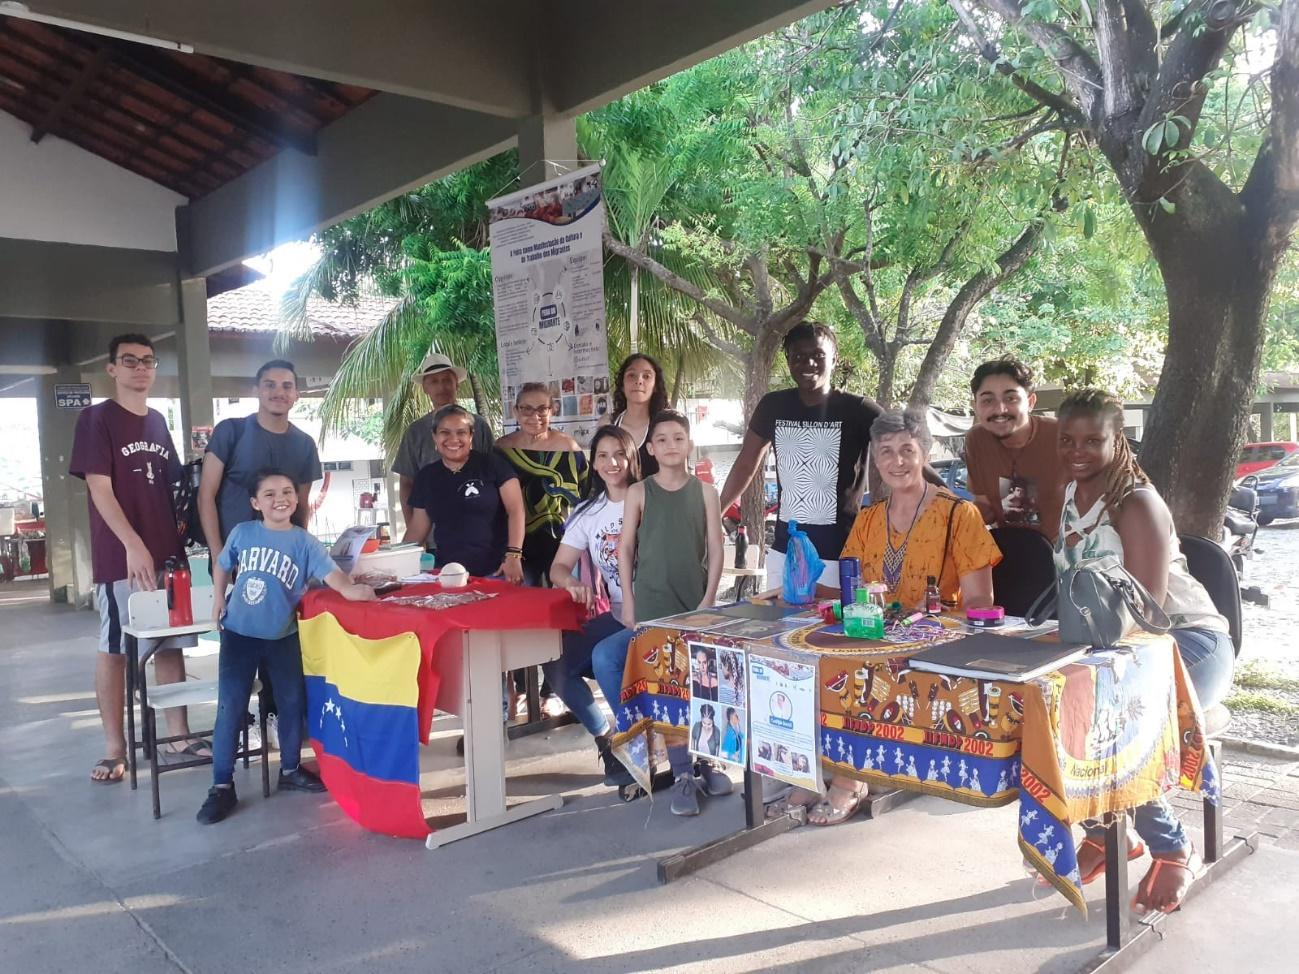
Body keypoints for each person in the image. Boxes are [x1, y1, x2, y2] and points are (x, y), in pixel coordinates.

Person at [1054, 388, 1234, 916]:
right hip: (1113, 645)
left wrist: (1087, 670)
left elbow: (1147, 614)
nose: (1078, 451)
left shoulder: (1136, 503)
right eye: (1067, 440)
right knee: (1052, 709)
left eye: (1093, 440)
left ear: (1119, 441)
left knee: (1106, 721)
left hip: (1184, 642)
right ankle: (1107, 832)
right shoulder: (1070, 494)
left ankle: (1173, 846)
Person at [781, 409, 1000, 827]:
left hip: (933, 642)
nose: (897, 461)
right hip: (874, 633)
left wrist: (922, 620)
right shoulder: (868, 518)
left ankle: (849, 778)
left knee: (861, 668)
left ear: (924, 454)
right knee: (807, 659)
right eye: (886, 452)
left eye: (907, 450)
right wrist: (802, 589)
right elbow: (852, 592)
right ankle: (812, 767)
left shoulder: (959, 514)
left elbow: (978, 601)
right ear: (876, 460)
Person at [198, 470, 376, 824]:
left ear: (297, 499)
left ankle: (291, 770)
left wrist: (350, 590)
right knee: (230, 707)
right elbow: (222, 565)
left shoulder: (304, 542)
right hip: (239, 635)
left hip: (282, 635)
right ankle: (221, 785)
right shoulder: (243, 532)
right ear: (255, 502)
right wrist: (218, 597)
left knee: (292, 703)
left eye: (286, 492)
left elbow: (332, 574)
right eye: (269, 494)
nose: (279, 499)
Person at [69, 333, 206, 784]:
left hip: (168, 556)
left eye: (147, 360)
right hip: (122, 558)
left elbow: (173, 487)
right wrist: (132, 543)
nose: (140, 368)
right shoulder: (96, 419)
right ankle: (115, 747)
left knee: (170, 643)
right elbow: (100, 488)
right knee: (115, 649)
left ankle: (178, 736)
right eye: (129, 361)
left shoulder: (159, 422)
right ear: (112, 368)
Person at [590, 409, 727, 816]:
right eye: (662, 439)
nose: (670, 446)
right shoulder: (639, 492)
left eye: (678, 438)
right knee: (666, 689)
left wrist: (708, 600)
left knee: (699, 685)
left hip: (694, 607)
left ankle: (708, 761)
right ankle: (683, 772)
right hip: (651, 607)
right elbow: (625, 549)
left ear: (690, 444)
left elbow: (716, 549)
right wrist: (630, 602)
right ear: (649, 449)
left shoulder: (706, 493)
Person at [198, 359, 323, 750]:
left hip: (282, 569)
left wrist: (304, 562)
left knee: (280, 647)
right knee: (239, 652)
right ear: (257, 390)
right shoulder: (231, 432)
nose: (278, 392)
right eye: (269, 384)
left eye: (287, 385)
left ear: (297, 394)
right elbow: (206, 496)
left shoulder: (304, 444)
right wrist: (219, 556)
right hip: (236, 565)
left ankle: (276, 725)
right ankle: (237, 729)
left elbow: (302, 509)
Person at [719, 322, 885, 591]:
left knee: (833, 620)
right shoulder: (773, 406)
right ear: (788, 361)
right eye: (798, 356)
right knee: (781, 618)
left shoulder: (858, 409)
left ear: (835, 359)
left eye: (818, 355)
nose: (808, 363)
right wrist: (715, 514)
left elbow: (905, 450)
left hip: (841, 556)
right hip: (785, 553)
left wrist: (942, 497)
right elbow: (746, 464)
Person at [546, 425, 640, 786]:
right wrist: (572, 583)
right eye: (603, 456)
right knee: (555, 660)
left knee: (605, 657)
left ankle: (638, 746)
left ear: (632, 457)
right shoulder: (588, 512)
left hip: (654, 612)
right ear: (594, 464)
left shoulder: (650, 497)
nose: (612, 463)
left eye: (619, 454)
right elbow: (558, 567)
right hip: (617, 613)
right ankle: (607, 739)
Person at [497, 383, 588, 717]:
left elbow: (585, 500)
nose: (534, 416)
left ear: (553, 410)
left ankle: (554, 689)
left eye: (542, 409)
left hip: (561, 545)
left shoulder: (569, 448)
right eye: (526, 409)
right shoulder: (501, 450)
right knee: (519, 617)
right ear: (515, 411)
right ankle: (521, 687)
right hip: (517, 546)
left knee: (558, 616)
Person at [402, 405, 525, 583]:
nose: (454, 439)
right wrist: (396, 561)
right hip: (448, 576)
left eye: (461, 432)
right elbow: (417, 529)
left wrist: (513, 554)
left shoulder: (493, 466)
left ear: (471, 435)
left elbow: (516, 510)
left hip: (496, 572)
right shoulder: (426, 477)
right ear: (434, 436)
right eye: (445, 432)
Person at [392, 351, 495, 534]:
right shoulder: (415, 432)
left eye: (447, 380)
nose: (441, 387)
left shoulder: (479, 426)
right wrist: (415, 533)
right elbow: (407, 483)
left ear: (457, 384)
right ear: (425, 388)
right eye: (434, 381)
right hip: (432, 536)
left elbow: (494, 477)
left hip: (481, 534)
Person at [965, 356, 1065, 538]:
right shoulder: (976, 439)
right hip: (1008, 546)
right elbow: (985, 506)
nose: (1000, 410)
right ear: (975, 407)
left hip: (1063, 549)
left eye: (1011, 398)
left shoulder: (1063, 436)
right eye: (988, 400)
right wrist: (950, 519)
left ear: (1031, 402)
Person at [611, 353, 668, 478]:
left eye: (646, 376)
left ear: (655, 386)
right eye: (632, 375)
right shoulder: (608, 425)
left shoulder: (666, 428)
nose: (639, 381)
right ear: (622, 385)